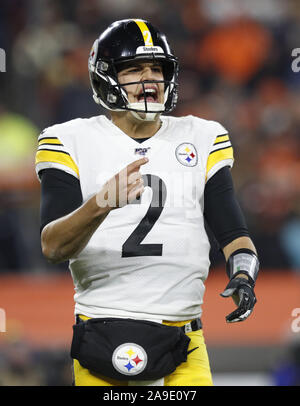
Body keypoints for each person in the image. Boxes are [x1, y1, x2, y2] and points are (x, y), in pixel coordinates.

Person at [35, 19, 260, 386]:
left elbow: (234, 232)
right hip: (103, 328)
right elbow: (53, 245)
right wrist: (101, 203)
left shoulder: (203, 135)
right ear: (106, 78)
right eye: (135, 69)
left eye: (157, 68)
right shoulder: (68, 139)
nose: (150, 79)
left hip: (184, 335)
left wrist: (243, 274)